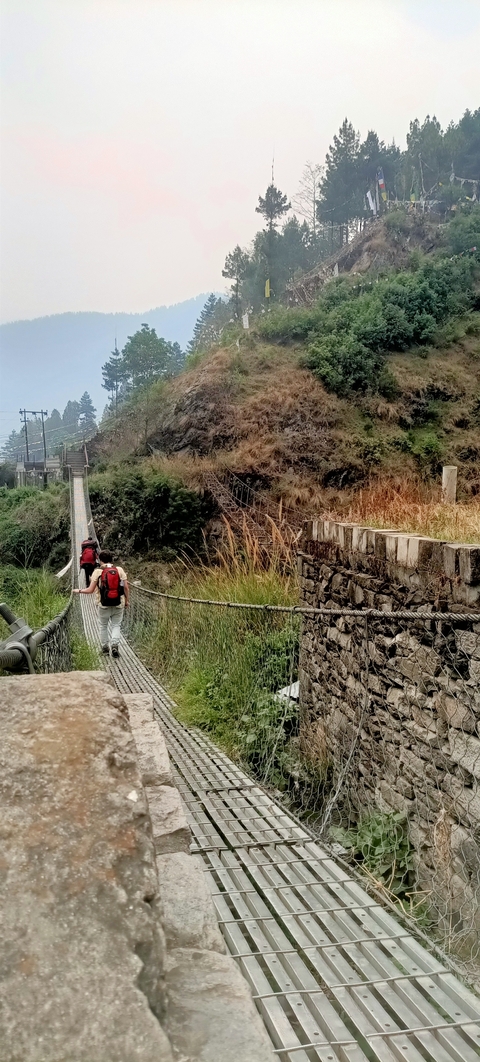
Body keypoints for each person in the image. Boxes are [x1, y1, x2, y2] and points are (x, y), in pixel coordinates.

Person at [74, 549, 129, 657]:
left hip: (103, 605)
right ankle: (115, 645)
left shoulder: (97, 572)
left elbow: (90, 590)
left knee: (103, 626)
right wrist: (126, 601)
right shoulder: (119, 570)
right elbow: (126, 588)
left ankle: (105, 649)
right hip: (118, 603)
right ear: (112, 559)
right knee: (116, 625)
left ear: (100, 560)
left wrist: (78, 590)